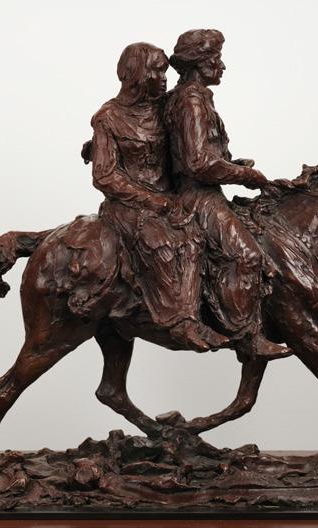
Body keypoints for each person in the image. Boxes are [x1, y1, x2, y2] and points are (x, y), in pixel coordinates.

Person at [90, 42, 228, 352]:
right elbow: (105, 176)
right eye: (157, 71)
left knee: (205, 231)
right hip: (127, 205)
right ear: (137, 75)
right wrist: (154, 201)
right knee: (176, 240)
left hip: (168, 198)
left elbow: (186, 148)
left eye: (165, 71)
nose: (165, 78)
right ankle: (182, 322)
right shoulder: (108, 118)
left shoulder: (162, 108)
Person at [164, 29, 292, 360]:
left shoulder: (195, 98)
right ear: (198, 63)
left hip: (207, 192)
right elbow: (198, 162)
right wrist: (244, 175)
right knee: (248, 256)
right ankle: (247, 338)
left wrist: (233, 165)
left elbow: (204, 154)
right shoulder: (192, 100)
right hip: (198, 197)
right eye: (216, 59)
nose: (222, 66)